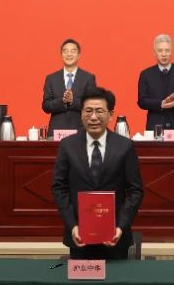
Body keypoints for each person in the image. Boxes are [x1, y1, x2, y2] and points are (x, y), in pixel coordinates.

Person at [51, 87, 144, 260]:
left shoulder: (124, 146)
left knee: (116, 278)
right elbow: (59, 187)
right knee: (82, 277)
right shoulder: (68, 145)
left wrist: (121, 226)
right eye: (88, 111)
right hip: (79, 236)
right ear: (81, 114)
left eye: (99, 111)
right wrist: (72, 226)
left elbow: (135, 190)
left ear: (111, 114)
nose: (93, 117)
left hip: (115, 237)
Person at [136, 34, 174, 133]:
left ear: (172, 52)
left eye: (167, 50)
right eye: (160, 50)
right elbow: (142, 101)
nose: (164, 54)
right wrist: (160, 104)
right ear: (154, 53)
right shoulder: (146, 74)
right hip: (155, 126)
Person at [41, 38, 96, 131]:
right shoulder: (51, 78)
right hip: (56, 131)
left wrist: (72, 101)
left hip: (81, 131)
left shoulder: (88, 78)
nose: (69, 54)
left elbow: (91, 105)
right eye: (65, 51)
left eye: (73, 51)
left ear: (79, 55)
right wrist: (62, 101)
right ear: (61, 54)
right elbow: (46, 106)